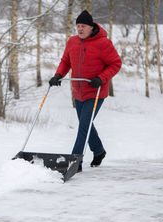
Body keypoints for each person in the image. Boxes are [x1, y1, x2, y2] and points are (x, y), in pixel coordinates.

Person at [49, 10, 122, 173]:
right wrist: (58, 75)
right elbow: (65, 61)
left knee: (83, 126)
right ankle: (99, 151)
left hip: (95, 92)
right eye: (78, 26)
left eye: (83, 26)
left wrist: (101, 78)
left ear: (91, 27)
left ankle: (75, 161)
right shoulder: (72, 42)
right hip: (78, 92)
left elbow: (115, 64)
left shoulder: (103, 43)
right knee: (86, 125)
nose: (80, 29)